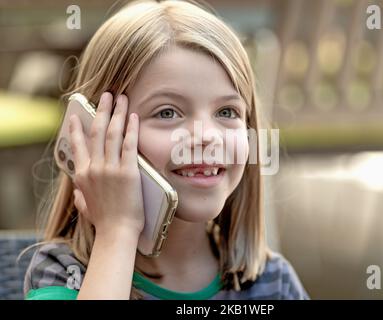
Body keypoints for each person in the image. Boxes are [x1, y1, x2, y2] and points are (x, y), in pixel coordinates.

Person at [23, 0, 309, 300]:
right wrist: (117, 232)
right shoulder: (61, 274)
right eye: (168, 113)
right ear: (99, 134)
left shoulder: (274, 283)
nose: (206, 137)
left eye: (226, 112)